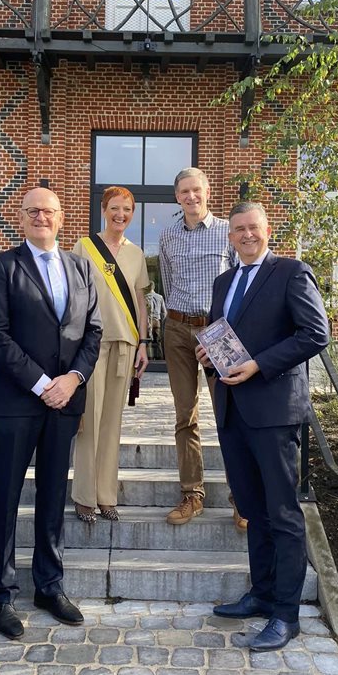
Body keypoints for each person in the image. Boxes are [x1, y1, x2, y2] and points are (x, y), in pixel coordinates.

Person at [197, 201, 329, 652]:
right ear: (229, 237)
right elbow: (225, 336)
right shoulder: (223, 281)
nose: (246, 235)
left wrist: (258, 365)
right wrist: (209, 357)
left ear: (267, 229)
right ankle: (261, 592)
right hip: (232, 408)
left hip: (273, 411)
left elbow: (315, 334)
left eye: (253, 227)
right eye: (238, 230)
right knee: (253, 508)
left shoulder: (292, 272)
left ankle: (285, 615)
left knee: (283, 512)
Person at [0, 187, 102, 638]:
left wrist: (72, 380)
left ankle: (49, 586)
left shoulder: (80, 266)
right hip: (17, 401)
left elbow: (94, 330)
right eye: (32, 211)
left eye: (48, 211)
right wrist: (40, 382)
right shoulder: (3, 266)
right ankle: (2, 594)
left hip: (66, 400)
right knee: (6, 497)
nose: (40, 217)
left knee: (53, 496)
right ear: (20, 217)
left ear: (62, 217)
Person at [158, 167, 240, 527]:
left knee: (231, 413)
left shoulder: (227, 232)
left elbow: (240, 284)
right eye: (184, 192)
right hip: (177, 328)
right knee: (184, 415)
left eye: (197, 190)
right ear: (177, 197)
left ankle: (243, 496)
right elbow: (167, 280)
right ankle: (192, 494)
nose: (191, 197)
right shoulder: (167, 236)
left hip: (218, 330)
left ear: (208, 192)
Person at [71, 186, 150, 522]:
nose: (121, 215)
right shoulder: (85, 247)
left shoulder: (136, 254)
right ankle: (84, 496)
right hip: (92, 345)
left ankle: (106, 495)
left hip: (126, 345)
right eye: (115, 208)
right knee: (89, 421)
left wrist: (144, 343)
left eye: (127, 210)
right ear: (104, 209)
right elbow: (75, 298)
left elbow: (141, 302)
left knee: (112, 423)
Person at [145, 283, 167, 360]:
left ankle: (150, 358)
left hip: (148, 321)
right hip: (157, 321)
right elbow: (164, 312)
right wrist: (162, 321)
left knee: (149, 341)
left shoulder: (145, 297)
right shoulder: (160, 297)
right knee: (158, 341)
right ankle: (160, 358)